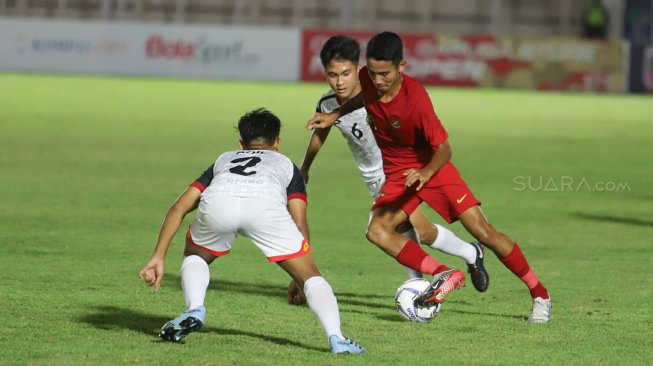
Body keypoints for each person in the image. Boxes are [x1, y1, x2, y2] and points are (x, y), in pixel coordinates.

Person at [307, 32, 552, 323]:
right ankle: (443, 274)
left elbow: (445, 149)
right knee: (377, 231)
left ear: (402, 67)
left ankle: (540, 296)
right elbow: (365, 96)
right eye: (371, 73)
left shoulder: (416, 100)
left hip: (433, 168)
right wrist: (336, 114)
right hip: (399, 174)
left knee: (485, 233)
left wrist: (425, 172)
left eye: (384, 74)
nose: (377, 80)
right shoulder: (370, 81)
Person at [138, 108, 366, 354]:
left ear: (241, 144)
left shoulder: (224, 159)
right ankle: (337, 338)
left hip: (219, 203)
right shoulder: (287, 165)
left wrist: (158, 256)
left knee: (196, 255)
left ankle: (195, 307)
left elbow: (177, 208)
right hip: (264, 206)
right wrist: (297, 277)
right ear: (277, 143)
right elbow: (299, 222)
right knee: (311, 277)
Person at [288, 35, 489, 306]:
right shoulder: (327, 104)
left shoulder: (375, 93)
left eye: (346, 73)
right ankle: (469, 253)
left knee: (393, 231)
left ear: (358, 69)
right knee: (422, 231)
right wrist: (305, 168)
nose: (340, 81)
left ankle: (421, 285)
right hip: (372, 177)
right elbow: (320, 132)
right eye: (332, 75)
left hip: (399, 171)